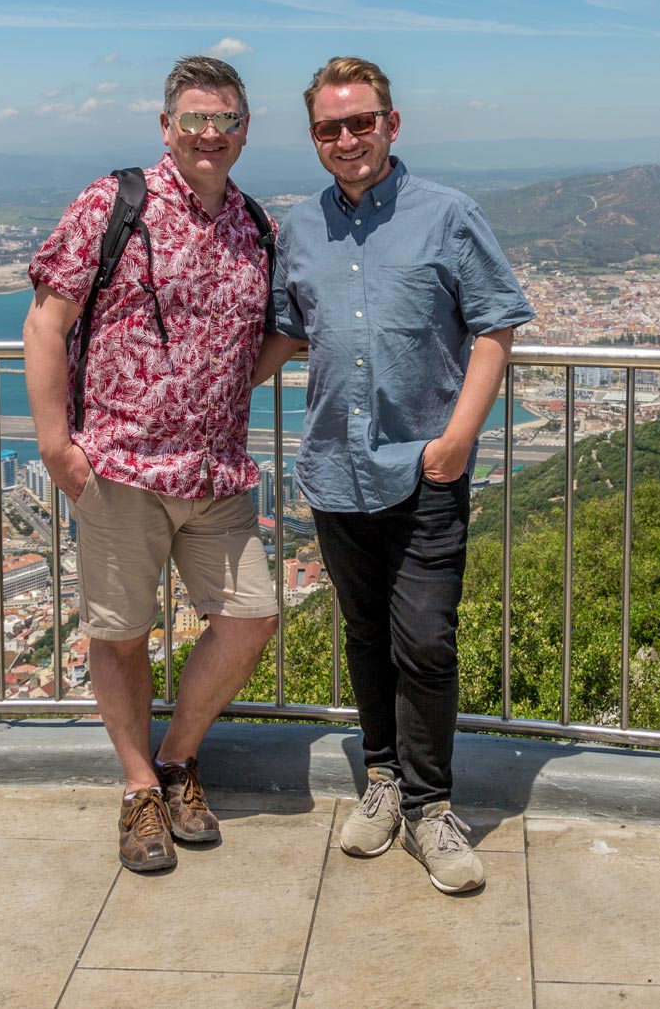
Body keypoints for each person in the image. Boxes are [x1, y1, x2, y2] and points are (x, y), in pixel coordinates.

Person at [254, 56, 533, 894]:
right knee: (366, 635)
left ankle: (431, 804)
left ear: (391, 124)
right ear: (313, 138)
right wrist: (196, 386)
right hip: (335, 473)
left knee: (427, 642)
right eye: (330, 128)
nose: (347, 138)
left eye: (361, 121)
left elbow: (496, 328)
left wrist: (455, 442)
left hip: (424, 470)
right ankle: (382, 778)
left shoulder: (449, 215)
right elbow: (281, 335)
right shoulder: (300, 229)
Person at [24, 55, 280, 873]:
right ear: (167, 126)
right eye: (196, 119)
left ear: (244, 130)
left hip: (215, 472)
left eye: (227, 120)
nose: (212, 133)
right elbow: (45, 323)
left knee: (251, 617)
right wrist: (56, 442)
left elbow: (254, 342)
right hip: (120, 468)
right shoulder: (115, 202)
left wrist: (222, 384)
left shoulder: (254, 224)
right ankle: (139, 787)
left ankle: (177, 761)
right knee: (122, 634)